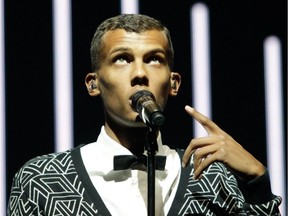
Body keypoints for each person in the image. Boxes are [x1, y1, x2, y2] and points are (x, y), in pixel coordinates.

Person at [7, 14, 281, 216]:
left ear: (173, 83)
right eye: (122, 59)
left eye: (154, 59)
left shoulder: (211, 177)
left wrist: (258, 181)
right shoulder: (42, 180)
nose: (140, 74)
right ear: (93, 83)